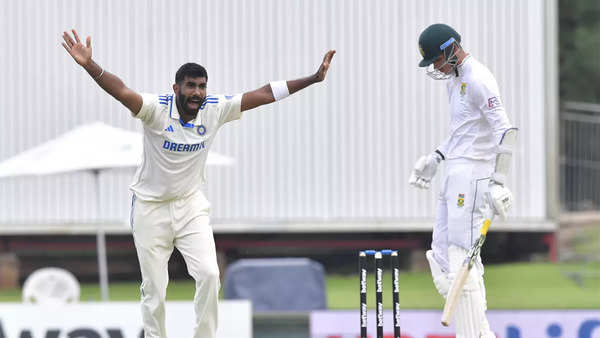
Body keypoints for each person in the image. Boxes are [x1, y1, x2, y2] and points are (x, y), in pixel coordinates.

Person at [61, 29, 335, 338]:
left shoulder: (214, 108)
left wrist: (312, 78)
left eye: (202, 86)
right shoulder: (155, 109)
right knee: (155, 287)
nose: (197, 92)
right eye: (190, 86)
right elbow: (122, 91)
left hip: (190, 204)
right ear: (176, 87)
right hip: (150, 207)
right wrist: (90, 65)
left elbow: (264, 93)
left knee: (208, 274)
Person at [409, 23, 514, 337]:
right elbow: (461, 130)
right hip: (453, 169)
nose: (436, 68)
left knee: (460, 256)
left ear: (450, 49)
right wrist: (435, 158)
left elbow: (505, 131)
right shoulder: (452, 82)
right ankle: (480, 332)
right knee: (441, 258)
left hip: (474, 175)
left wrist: (499, 181)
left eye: (437, 60)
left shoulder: (479, 79)